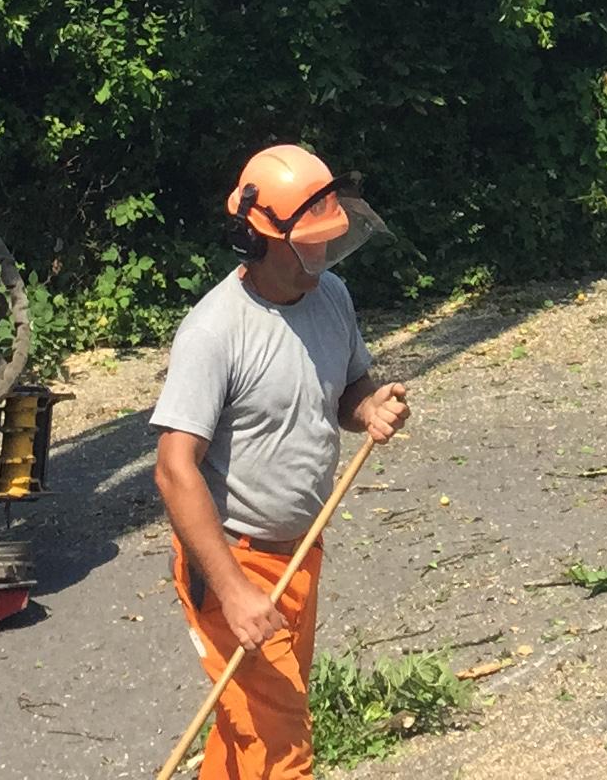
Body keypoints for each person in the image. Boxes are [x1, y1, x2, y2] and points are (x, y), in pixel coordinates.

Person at [153, 142, 411, 780]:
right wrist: (237, 592)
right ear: (260, 239)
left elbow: (345, 392)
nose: (322, 256)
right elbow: (174, 468)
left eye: (330, 240)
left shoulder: (333, 298)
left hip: (300, 553)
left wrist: (368, 408)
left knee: (246, 734)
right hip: (231, 566)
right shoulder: (214, 332)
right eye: (309, 244)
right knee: (283, 748)